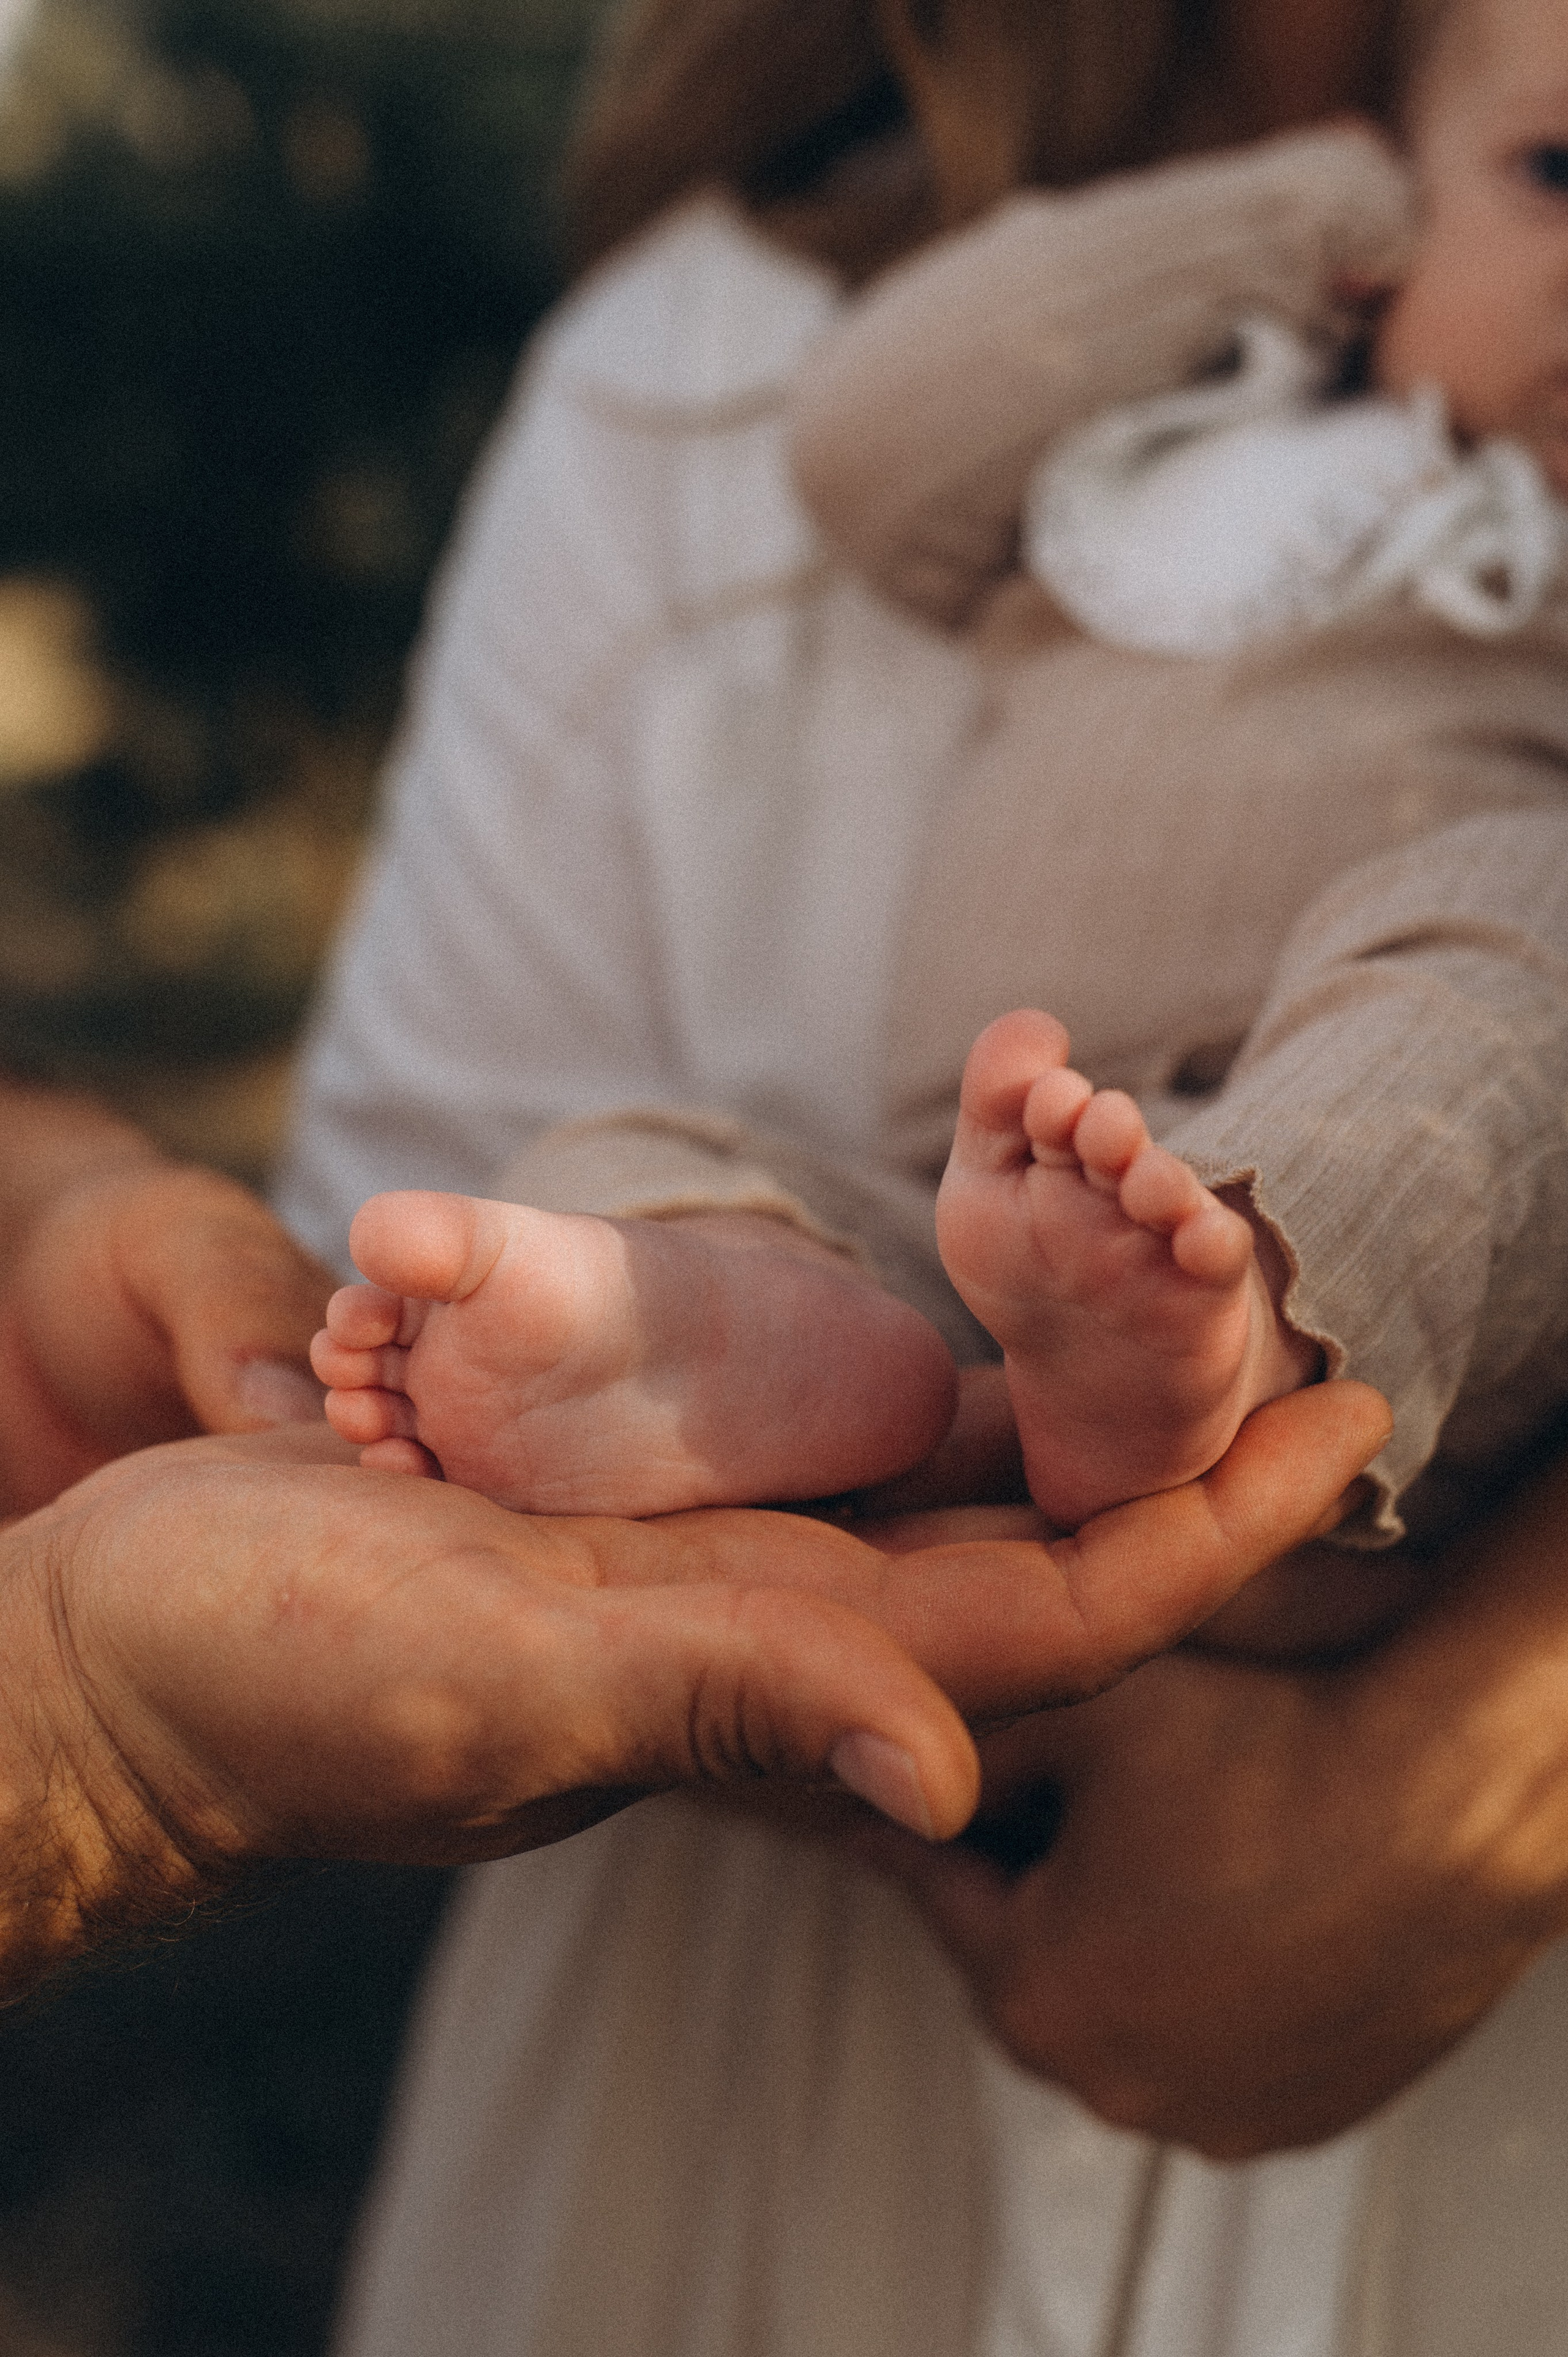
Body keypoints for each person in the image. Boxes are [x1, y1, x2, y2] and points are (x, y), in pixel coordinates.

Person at [272, 2, 1568, 2351]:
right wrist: (1301, 223)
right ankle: (725, 1338)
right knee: (663, 1187)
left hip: (1398, 1388)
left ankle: (1257, 1301)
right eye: (1559, 183)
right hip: (975, 1207)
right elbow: (877, 449)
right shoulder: (1166, 438)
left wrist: (1467, 1754)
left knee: (1521, 937)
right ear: (1400, 173)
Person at [6, 1069, 1387, 2005]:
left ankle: (1222, 1315)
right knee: (663, 1151)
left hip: (1022, 1186)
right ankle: (699, 1303)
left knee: (1424, 1057)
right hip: (955, 1188)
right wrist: (84, 1713)